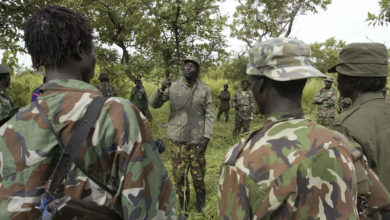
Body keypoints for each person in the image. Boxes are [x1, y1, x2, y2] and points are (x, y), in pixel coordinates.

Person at [0, 6, 175, 220]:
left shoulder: (8, 127)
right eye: (92, 50)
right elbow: (153, 211)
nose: (94, 58)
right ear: (81, 49)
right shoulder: (118, 114)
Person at [218, 37, 390, 219]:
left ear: (260, 84)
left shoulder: (240, 161)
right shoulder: (344, 145)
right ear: (303, 81)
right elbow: (379, 204)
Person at [149, 56, 214, 217]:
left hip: (198, 139)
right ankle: (183, 209)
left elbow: (210, 114)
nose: (188, 67)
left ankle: (201, 204)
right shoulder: (173, 87)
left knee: (198, 175)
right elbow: (153, 104)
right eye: (186, 64)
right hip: (177, 140)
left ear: (198, 70)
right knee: (179, 176)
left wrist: (206, 136)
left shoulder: (204, 89)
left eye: (192, 65)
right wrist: (161, 89)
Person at [330, 43, 390, 192]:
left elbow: (341, 189)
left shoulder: (344, 126)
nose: (337, 80)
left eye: (340, 74)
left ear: (350, 80)